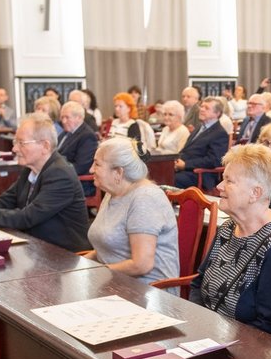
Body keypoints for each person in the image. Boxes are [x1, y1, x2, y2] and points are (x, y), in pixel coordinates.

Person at [189, 144, 271, 335]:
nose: (219, 186)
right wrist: (198, 325)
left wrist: (218, 337)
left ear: (255, 193)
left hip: (243, 351)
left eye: (229, 181)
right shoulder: (227, 228)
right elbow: (198, 284)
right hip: (204, 335)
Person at [0, 112, 90, 252]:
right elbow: (6, 201)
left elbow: (28, 217)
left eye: (21, 143)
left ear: (45, 146)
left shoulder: (60, 174)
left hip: (64, 256)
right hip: (36, 246)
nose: (14, 148)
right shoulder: (30, 169)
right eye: (15, 142)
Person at [83, 138, 179, 285]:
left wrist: (97, 273)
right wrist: (78, 266)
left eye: (97, 164)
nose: (90, 169)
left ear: (118, 172)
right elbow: (108, 248)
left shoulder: (144, 198)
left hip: (149, 292)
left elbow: (141, 264)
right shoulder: (112, 192)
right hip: (113, 281)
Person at [174, 96, 228, 189]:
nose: (202, 109)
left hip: (201, 174)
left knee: (170, 179)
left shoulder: (220, 133)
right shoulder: (199, 127)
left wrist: (185, 165)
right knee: (160, 173)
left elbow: (214, 161)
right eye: (201, 106)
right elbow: (187, 150)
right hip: (185, 170)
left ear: (217, 113)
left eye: (206, 108)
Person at [57, 101, 99, 195]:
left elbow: (80, 167)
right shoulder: (65, 133)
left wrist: (55, 171)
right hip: (64, 178)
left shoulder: (87, 136)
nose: (63, 121)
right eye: (62, 117)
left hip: (79, 183)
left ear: (79, 117)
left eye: (67, 117)